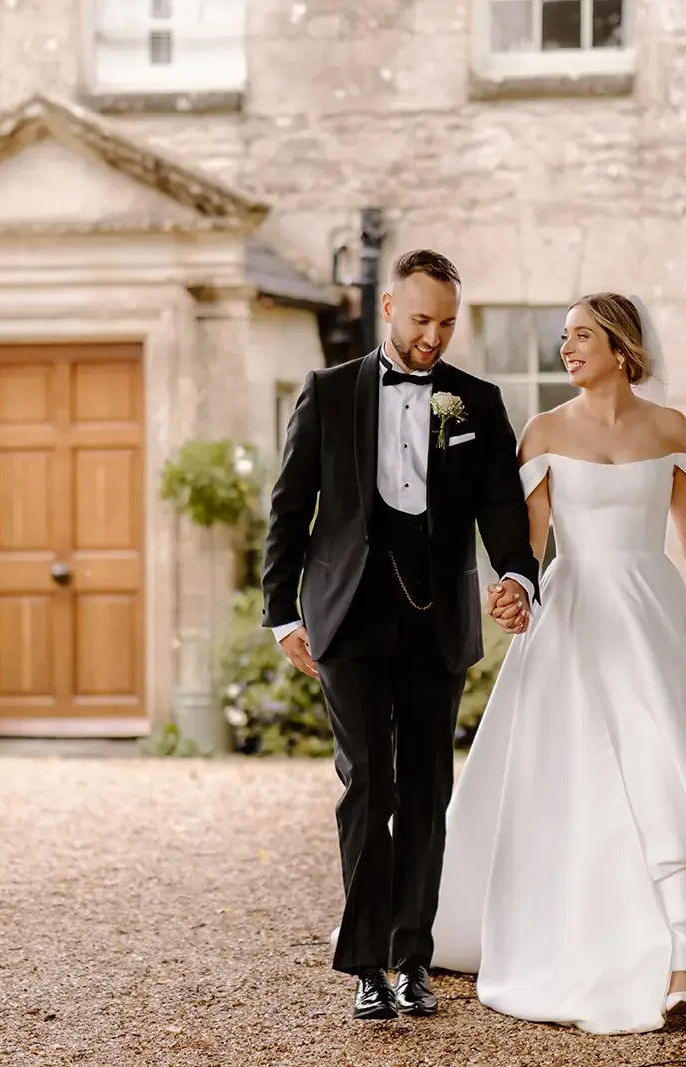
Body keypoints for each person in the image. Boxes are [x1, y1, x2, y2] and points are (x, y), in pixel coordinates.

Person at [430, 292, 686, 1035]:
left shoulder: (669, 429)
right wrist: (512, 593)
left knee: (666, 758)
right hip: (574, 616)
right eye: (564, 338)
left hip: (649, 610)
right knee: (586, 769)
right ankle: (647, 940)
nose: (567, 349)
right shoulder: (543, 431)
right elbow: (530, 547)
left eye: (582, 336)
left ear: (621, 348)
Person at [261, 249, 539, 1020]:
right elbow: (290, 510)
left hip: (436, 619)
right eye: (421, 320)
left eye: (447, 323)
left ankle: (413, 958)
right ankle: (365, 966)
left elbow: (503, 512)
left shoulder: (475, 401)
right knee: (367, 784)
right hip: (345, 616)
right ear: (389, 307)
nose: (433, 337)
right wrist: (282, 612)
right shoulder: (328, 391)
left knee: (425, 787)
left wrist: (517, 576)